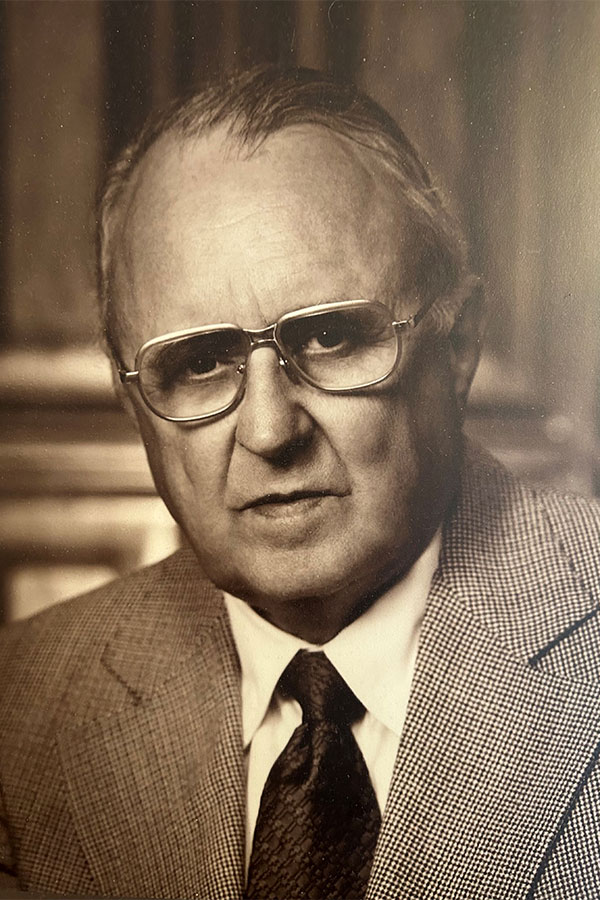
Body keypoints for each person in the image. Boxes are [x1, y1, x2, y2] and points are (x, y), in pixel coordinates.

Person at [1, 65, 600, 900]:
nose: (271, 430)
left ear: (458, 349)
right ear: (133, 404)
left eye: (329, 338)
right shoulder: (20, 705)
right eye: (198, 363)